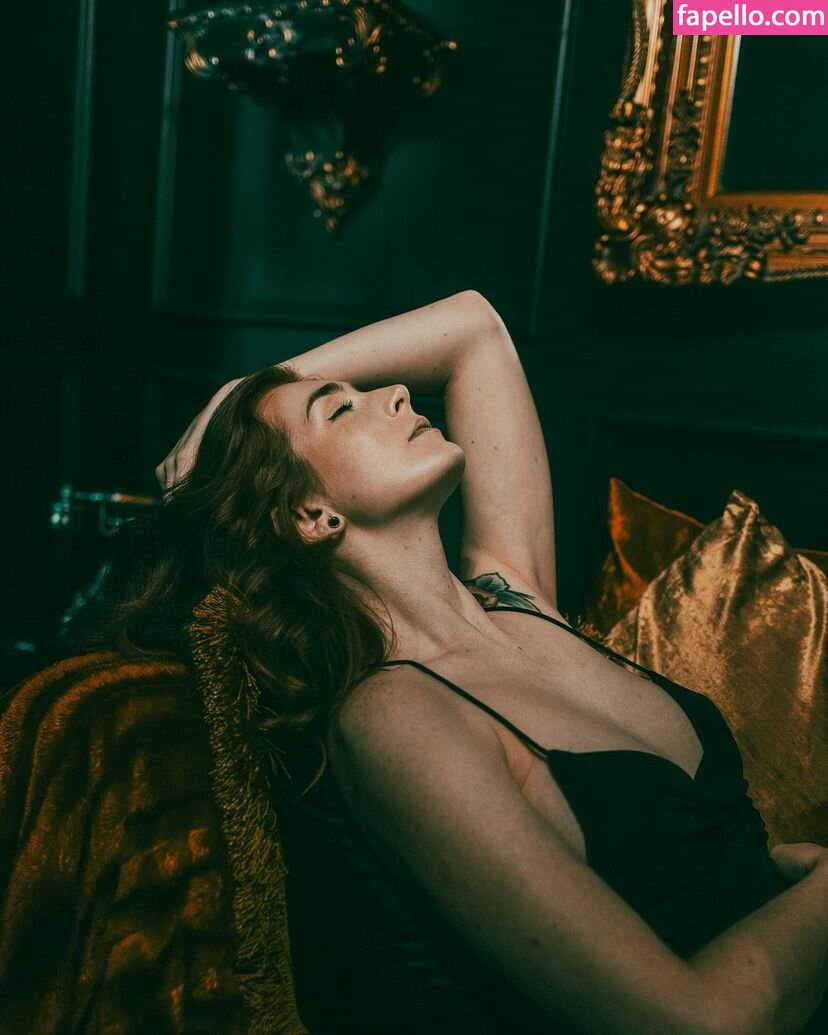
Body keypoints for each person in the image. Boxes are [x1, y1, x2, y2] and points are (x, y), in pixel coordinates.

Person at [137, 289, 827, 1033]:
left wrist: (240, 390)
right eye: (340, 411)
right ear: (310, 515)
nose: (397, 392)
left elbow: (473, 329)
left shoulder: (514, 593)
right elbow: (694, 1022)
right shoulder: (395, 717)